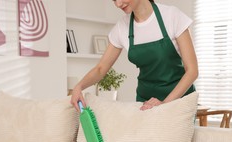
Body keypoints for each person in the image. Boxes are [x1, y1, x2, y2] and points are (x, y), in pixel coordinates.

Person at [70, 0, 198, 111]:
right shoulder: (122, 27)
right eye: (114, 0)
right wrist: (78, 87)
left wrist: (164, 104)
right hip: (145, 103)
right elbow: (101, 68)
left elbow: (192, 71)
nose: (118, 4)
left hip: (179, 101)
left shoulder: (172, 16)